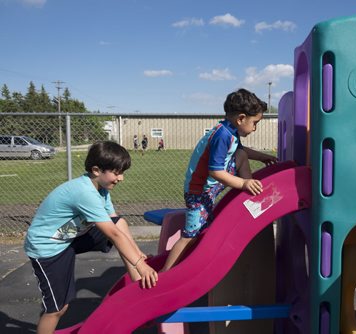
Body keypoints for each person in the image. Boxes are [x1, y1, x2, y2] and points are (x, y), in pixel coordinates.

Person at [24, 141, 158, 334]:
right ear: (96, 170)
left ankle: (136, 279)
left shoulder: (101, 189)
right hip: (47, 248)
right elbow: (111, 234)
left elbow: (115, 224)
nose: (121, 178)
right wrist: (140, 263)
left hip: (69, 237)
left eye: (122, 172)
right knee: (57, 309)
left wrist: (138, 256)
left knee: (119, 222)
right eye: (117, 172)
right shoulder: (84, 192)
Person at [160, 88, 277, 272]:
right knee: (190, 236)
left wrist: (262, 157)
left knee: (240, 154)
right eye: (255, 123)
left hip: (208, 189)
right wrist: (244, 183)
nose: (255, 128)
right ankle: (165, 273)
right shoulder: (222, 135)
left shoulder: (230, 131)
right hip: (198, 192)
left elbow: (241, 151)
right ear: (241, 118)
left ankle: (250, 197)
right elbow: (215, 171)